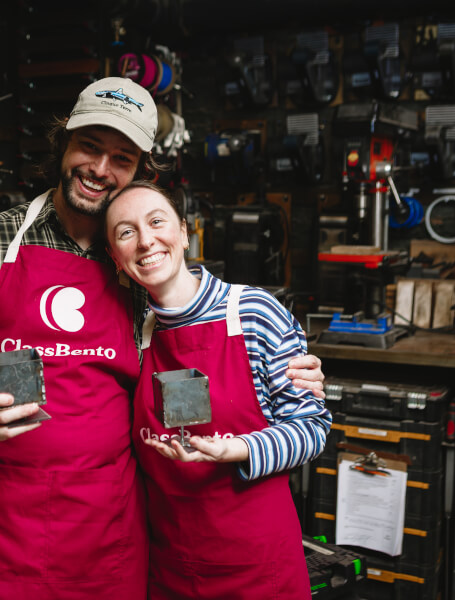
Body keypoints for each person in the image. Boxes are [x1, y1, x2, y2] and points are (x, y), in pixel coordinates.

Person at [0, 77, 326, 599]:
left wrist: (291, 367)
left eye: (122, 159)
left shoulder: (143, 273)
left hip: (110, 535)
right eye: (89, 147)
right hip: (3, 532)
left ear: (143, 177)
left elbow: (203, 336)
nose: (100, 169)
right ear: (62, 143)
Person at [104, 180, 332, 600]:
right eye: (126, 232)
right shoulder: (132, 334)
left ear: (184, 233)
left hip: (260, 570)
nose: (145, 240)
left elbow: (312, 429)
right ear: (116, 258)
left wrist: (239, 449)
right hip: (171, 568)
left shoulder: (254, 312)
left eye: (157, 222)